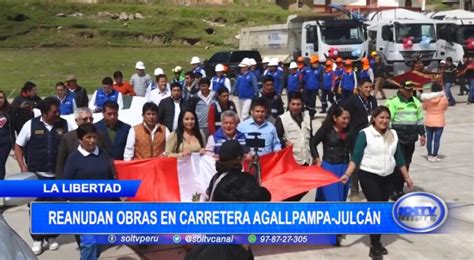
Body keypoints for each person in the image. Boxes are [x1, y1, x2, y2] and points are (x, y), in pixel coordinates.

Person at [340, 106, 413, 259]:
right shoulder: (365, 134)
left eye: (387, 118)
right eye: (381, 117)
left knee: (382, 208)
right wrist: (347, 174)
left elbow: (399, 157)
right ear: (374, 118)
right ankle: (374, 246)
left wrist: (406, 177)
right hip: (369, 176)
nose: (384, 121)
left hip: (388, 177)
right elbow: (356, 157)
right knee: (377, 208)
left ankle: (376, 241)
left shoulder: (393, 134)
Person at [186, 140, 270, 260]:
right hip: (232, 242)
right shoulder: (241, 179)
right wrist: (259, 187)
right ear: (239, 158)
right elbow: (263, 197)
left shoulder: (216, 178)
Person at [14, 97, 68, 255]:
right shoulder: (30, 125)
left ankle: (51, 236)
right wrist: (22, 166)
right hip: (37, 175)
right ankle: (38, 238)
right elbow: (18, 146)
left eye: (58, 111)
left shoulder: (64, 124)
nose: (57, 114)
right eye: (54, 112)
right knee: (37, 207)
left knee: (55, 207)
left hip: (57, 177)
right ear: (44, 113)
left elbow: (73, 143)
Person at [63, 123, 116, 260]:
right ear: (80, 140)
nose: (92, 140)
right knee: (89, 243)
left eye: (94, 137)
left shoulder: (104, 155)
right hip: (82, 208)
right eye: (88, 137)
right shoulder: (73, 158)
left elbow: (111, 178)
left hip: (103, 208)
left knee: (98, 243)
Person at [385, 80, 425, 201]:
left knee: (406, 164)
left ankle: (399, 188)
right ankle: (393, 190)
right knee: (397, 164)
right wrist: (389, 136)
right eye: (407, 89)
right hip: (398, 139)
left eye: (411, 89)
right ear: (401, 89)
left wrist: (422, 134)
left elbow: (419, 120)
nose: (410, 91)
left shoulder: (416, 102)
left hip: (411, 138)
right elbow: (388, 120)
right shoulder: (393, 102)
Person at [340, 79, 378, 201]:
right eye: (366, 87)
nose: (368, 89)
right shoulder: (352, 100)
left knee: (369, 163)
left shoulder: (373, 100)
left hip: (371, 136)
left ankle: (370, 188)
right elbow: (342, 112)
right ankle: (354, 190)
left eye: (370, 87)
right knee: (355, 164)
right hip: (356, 136)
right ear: (360, 88)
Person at [311, 106, 352, 203]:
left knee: (342, 199)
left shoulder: (350, 130)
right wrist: (317, 159)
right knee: (333, 200)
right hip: (329, 167)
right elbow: (313, 143)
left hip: (345, 168)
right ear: (335, 118)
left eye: (348, 118)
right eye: (344, 118)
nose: (346, 121)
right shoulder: (326, 129)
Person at [56, 107, 99, 179]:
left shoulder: (100, 135)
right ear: (76, 121)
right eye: (85, 119)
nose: (89, 121)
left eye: (91, 119)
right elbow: (60, 164)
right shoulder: (67, 138)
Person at [275, 92, 312, 165]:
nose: (295, 107)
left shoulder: (307, 117)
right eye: (293, 104)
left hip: (306, 160)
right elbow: (276, 138)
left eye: (298, 104)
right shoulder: (282, 119)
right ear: (289, 104)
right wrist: (284, 143)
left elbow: (311, 137)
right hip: (290, 161)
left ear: (302, 105)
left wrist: (315, 156)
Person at [421, 82, 448, 162]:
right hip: (439, 121)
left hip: (429, 121)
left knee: (429, 139)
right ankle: (435, 155)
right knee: (437, 140)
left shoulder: (427, 98)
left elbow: (424, 108)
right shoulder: (443, 98)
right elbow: (445, 108)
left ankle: (429, 155)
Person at [189, 78, 215, 144]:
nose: (202, 88)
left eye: (204, 86)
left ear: (208, 86)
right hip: (200, 127)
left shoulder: (215, 96)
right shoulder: (195, 97)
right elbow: (191, 111)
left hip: (213, 126)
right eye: (201, 86)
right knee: (202, 145)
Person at [0, 90, 14, 180]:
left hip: (5, 143)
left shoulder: (9, 111)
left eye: (1, 97)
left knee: (0, 163)